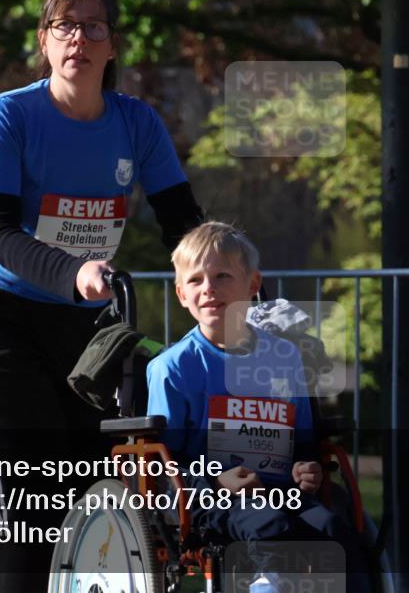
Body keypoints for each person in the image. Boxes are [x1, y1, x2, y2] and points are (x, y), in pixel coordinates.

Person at [0, 0, 203, 592]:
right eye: (64, 25)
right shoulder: (11, 114)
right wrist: (72, 270)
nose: (78, 37)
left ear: (112, 46)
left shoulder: (137, 123)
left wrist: (226, 281)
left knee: (97, 506)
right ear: (45, 40)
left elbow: (182, 224)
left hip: (85, 335)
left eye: (93, 27)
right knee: (31, 509)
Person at [146, 222, 371, 592]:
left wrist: (306, 467)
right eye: (196, 280)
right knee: (269, 523)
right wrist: (216, 481)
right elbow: (163, 464)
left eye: (222, 276)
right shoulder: (172, 368)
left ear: (252, 284)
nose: (208, 289)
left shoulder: (285, 356)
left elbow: (302, 440)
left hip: (283, 491)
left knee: (333, 530)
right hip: (209, 497)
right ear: (181, 294)